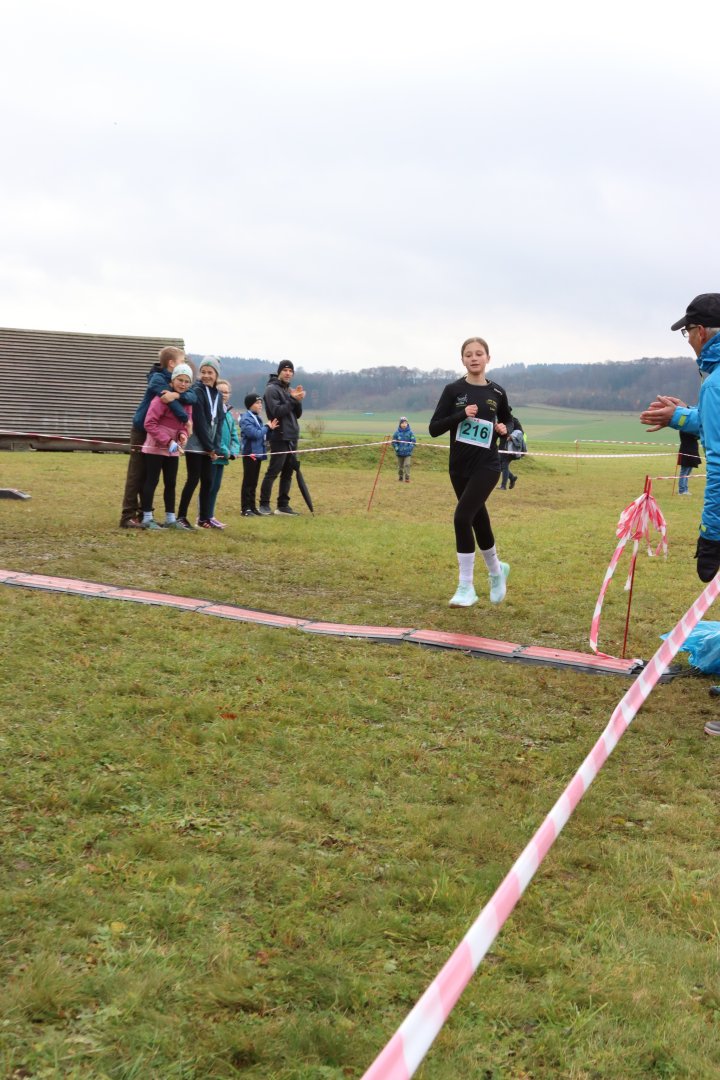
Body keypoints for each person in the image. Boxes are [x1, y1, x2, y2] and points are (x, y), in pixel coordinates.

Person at [639, 293, 720, 735]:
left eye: (687, 331)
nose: (687, 339)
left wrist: (711, 533)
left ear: (701, 331)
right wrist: (681, 416)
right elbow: (713, 423)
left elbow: (719, 463)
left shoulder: (715, 382)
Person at [429, 336, 512, 606]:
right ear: (462, 359)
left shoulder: (497, 392)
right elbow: (434, 428)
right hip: (458, 467)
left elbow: (509, 420)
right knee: (478, 519)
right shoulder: (453, 390)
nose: (474, 358)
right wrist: (461, 415)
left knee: (462, 517)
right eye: (468, 354)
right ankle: (497, 572)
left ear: (488, 358)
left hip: (487, 465)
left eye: (479, 353)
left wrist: (505, 429)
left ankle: (466, 587)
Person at [119, 345, 196, 528]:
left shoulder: (177, 383)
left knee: (151, 476)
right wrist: (185, 419)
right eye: (182, 361)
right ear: (172, 363)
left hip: (163, 434)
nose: (183, 383)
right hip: (142, 429)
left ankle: (144, 514)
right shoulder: (158, 379)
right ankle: (128, 516)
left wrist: (177, 396)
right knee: (137, 474)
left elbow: (192, 397)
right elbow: (168, 403)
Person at [138, 363, 194, 530]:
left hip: (173, 449)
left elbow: (186, 423)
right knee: (152, 481)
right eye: (180, 380)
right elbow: (149, 423)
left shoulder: (186, 402)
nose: (183, 384)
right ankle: (147, 518)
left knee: (171, 483)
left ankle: (170, 519)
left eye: (186, 381)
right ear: (172, 380)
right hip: (156, 447)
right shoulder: (161, 399)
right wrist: (168, 441)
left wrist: (183, 435)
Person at [176, 356, 224, 530]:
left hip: (210, 446)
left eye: (210, 372)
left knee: (208, 480)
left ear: (216, 374)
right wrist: (210, 447)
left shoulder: (218, 394)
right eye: (203, 372)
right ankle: (181, 516)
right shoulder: (197, 391)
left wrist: (216, 447)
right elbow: (200, 421)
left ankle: (204, 518)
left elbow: (219, 421)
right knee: (193, 479)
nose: (206, 375)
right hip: (196, 444)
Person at [258, 360, 305, 516]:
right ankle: (264, 505)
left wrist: (297, 400)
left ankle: (283, 506)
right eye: (285, 370)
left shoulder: (288, 390)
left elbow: (297, 414)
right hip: (279, 435)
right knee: (274, 471)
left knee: (288, 472)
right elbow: (277, 411)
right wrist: (292, 399)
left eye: (291, 371)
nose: (288, 373)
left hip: (292, 436)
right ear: (279, 372)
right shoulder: (271, 389)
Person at [206, 379, 240, 528]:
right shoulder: (212, 411)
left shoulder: (229, 414)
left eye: (226, 392)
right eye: (221, 392)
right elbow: (213, 436)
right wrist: (225, 451)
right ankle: (203, 516)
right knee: (208, 487)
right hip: (213, 455)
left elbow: (234, 435)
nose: (224, 395)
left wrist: (234, 450)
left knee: (216, 487)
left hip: (223, 458)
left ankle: (210, 515)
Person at [240, 394, 279, 516]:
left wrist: (270, 429)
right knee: (248, 482)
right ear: (250, 405)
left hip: (258, 453)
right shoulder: (246, 419)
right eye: (257, 403)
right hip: (250, 454)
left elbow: (263, 435)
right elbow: (255, 434)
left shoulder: (258, 418)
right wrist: (267, 427)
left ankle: (252, 507)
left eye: (261, 403)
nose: (260, 405)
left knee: (254, 482)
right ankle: (245, 509)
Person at [499, 416, 525, 490]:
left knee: (504, 465)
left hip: (510, 448)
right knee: (499, 466)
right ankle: (512, 478)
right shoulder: (501, 420)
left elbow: (521, 433)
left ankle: (503, 486)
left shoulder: (514, 420)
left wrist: (512, 437)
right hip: (502, 447)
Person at [391, 417, 417, 483]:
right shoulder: (396, 433)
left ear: (407, 424)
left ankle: (407, 478)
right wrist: (397, 448)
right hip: (399, 453)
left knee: (407, 465)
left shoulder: (410, 433)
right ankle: (400, 477)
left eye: (405, 423)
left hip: (407, 453)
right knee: (400, 467)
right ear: (400, 424)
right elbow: (394, 442)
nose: (404, 424)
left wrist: (409, 448)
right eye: (402, 423)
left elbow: (413, 441)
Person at [677, 431, 701, 496]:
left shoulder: (690, 430)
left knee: (687, 473)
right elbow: (697, 436)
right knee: (684, 472)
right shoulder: (685, 430)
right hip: (686, 452)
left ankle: (685, 490)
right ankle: (682, 490)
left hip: (692, 451)